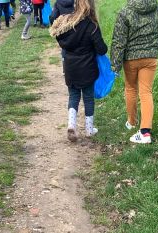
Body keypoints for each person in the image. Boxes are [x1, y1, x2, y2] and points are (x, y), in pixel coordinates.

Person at [50, 0, 107, 142]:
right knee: (88, 98)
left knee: (73, 96)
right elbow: (102, 49)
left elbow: (60, 39)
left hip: (70, 67)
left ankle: (71, 125)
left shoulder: (66, 25)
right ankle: (89, 129)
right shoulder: (91, 25)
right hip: (87, 69)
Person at [110, 0, 158, 144]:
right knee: (146, 92)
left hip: (131, 59)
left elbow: (119, 41)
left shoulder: (125, 12)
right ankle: (145, 132)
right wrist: (153, 50)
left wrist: (115, 66)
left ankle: (132, 122)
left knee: (131, 89)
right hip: (150, 58)